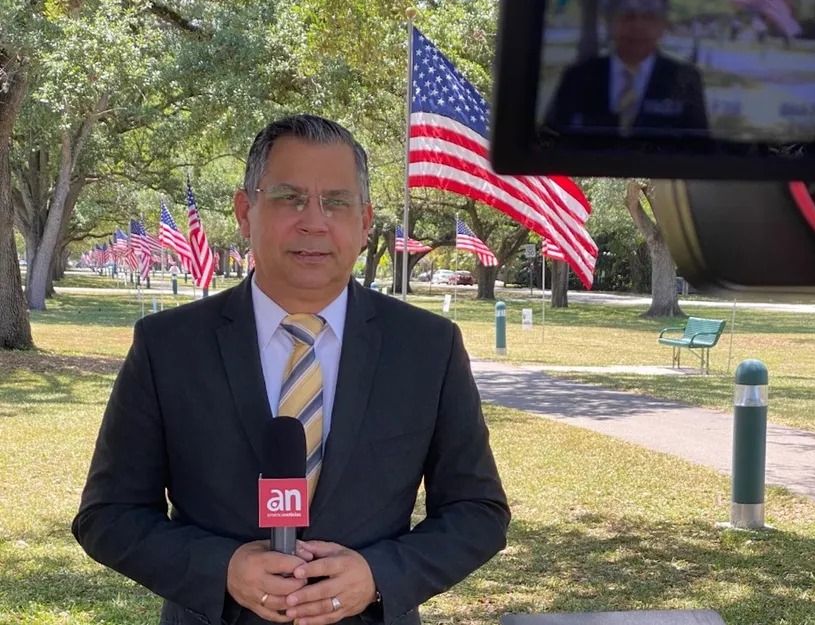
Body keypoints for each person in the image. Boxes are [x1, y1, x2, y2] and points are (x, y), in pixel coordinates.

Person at [72, 115, 510, 625]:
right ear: (245, 211)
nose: (314, 222)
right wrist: (223, 569)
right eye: (289, 198)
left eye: (337, 202)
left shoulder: (428, 347)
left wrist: (379, 575)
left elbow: (478, 512)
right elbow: (108, 515)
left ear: (365, 222)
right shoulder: (168, 346)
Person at [542, 0, 709, 137]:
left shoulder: (684, 80)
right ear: (611, 22)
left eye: (649, 17)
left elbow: (699, 149)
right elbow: (548, 142)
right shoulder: (577, 77)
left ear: (663, 25)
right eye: (629, 16)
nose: (638, 26)